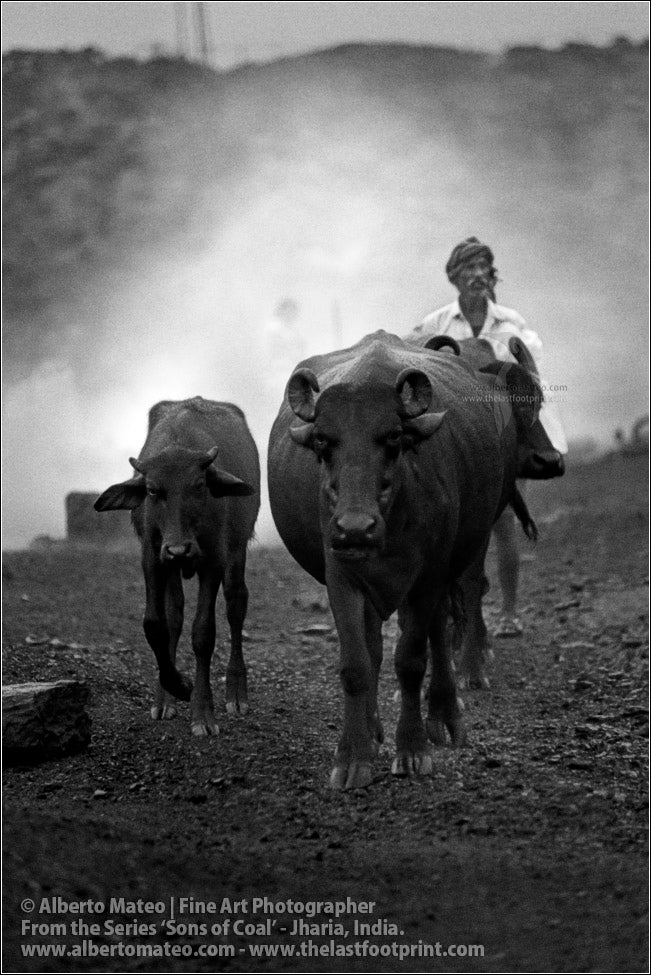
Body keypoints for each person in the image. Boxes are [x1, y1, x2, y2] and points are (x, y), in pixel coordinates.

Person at [407, 236, 567, 638]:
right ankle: (452, 609)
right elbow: (411, 361)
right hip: (457, 428)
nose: (477, 276)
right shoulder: (434, 325)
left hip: (503, 424)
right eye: (468, 270)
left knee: (505, 517)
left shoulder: (514, 326)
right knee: (451, 520)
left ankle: (510, 613)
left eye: (484, 269)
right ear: (454, 278)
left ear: (493, 276)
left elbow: (532, 381)